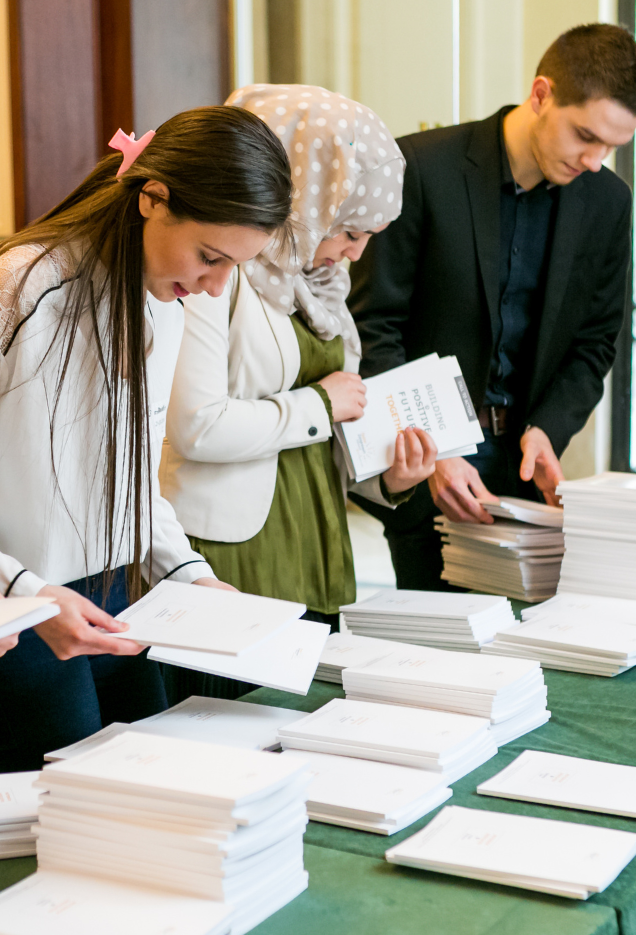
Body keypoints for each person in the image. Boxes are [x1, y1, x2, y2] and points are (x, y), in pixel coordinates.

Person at [0, 105, 293, 770]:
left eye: (235, 268)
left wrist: (190, 574)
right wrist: (22, 587)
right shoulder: (21, 285)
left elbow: (133, 475)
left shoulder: (160, 298)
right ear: (151, 198)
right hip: (10, 600)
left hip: (121, 592)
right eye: (209, 257)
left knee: (151, 782)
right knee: (68, 807)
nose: (213, 287)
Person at [348, 23, 636, 590]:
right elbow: (373, 327)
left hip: (526, 466)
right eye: (585, 135)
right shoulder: (421, 168)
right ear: (541, 94)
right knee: (438, 657)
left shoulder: (608, 202)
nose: (595, 160)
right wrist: (431, 448)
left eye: (613, 146)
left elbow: (595, 344)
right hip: (425, 466)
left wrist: (548, 429)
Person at [160, 85, 436, 699]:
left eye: (370, 235)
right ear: (306, 201)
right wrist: (319, 405)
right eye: (346, 228)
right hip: (231, 547)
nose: (354, 253)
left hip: (314, 533)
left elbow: (333, 421)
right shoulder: (215, 273)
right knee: (226, 732)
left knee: (308, 727)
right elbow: (197, 426)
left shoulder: (321, 284)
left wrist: (385, 478)